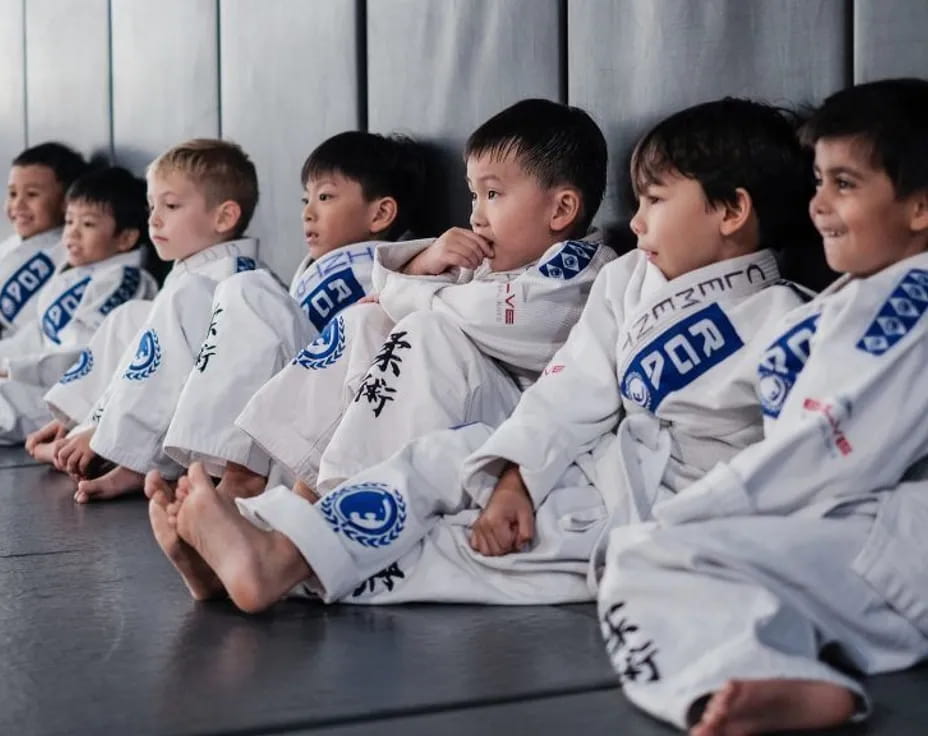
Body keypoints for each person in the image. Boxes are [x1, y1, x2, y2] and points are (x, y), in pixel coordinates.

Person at [148, 97, 814, 614]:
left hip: (650, 508)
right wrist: (517, 476)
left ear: (731, 211)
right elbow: (571, 390)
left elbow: (800, 468)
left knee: (443, 541)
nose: (636, 221)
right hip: (564, 455)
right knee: (425, 453)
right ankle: (262, 530)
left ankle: (277, 558)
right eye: (636, 201)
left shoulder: (782, 318)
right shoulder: (629, 280)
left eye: (656, 201)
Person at [596, 78, 928, 735]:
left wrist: (685, 519)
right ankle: (785, 676)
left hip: (894, 541)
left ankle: (755, 679)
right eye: (818, 183)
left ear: (920, 207)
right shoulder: (855, 295)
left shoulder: (906, 296)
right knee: (666, 554)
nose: (820, 206)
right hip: (870, 537)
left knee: (647, 556)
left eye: (845, 184)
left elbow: (826, 452)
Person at [160, 131, 426, 491]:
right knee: (243, 293)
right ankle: (225, 470)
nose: (308, 213)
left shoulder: (397, 269)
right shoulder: (311, 270)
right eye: (306, 199)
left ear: (380, 213)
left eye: (326, 197)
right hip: (290, 418)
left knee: (249, 288)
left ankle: (241, 477)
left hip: (338, 424)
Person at [51, 138, 262, 503]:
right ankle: (82, 427)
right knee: (131, 315)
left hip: (229, 443)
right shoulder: (194, 273)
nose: (155, 219)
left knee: (172, 308)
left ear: (224, 217)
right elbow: (142, 359)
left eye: (171, 205)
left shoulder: (228, 279)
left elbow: (169, 371)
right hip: (178, 425)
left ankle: (135, 460)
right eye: (152, 206)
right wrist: (87, 421)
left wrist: (105, 431)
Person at [0, 166, 158, 444]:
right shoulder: (76, 275)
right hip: (38, 384)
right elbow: (33, 338)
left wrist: (13, 368)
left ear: (125, 238)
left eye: (87, 225)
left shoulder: (123, 280)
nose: (71, 234)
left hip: (69, 399)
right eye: (69, 221)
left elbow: (86, 356)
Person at [2, 142, 89, 336]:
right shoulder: (10, 244)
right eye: (13, 193)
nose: (18, 204)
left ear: (66, 202)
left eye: (32, 194)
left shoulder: (70, 253)